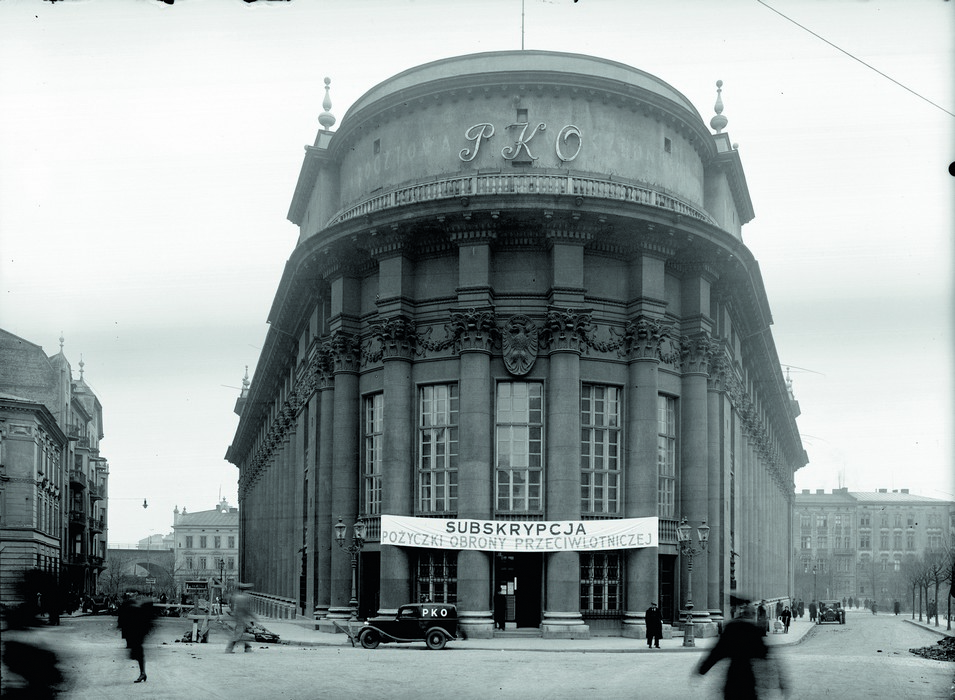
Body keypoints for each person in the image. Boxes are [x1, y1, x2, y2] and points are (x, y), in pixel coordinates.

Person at [697, 604, 787, 700]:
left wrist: (702, 669)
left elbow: (717, 652)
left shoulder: (731, 628)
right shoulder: (754, 630)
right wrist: (780, 681)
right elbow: (767, 656)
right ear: (752, 615)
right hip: (748, 678)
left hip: (733, 677)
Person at [117, 594, 155, 683]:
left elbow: (124, 621)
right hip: (136, 634)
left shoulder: (131, 607)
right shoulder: (134, 607)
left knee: (137, 653)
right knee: (138, 653)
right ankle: (143, 673)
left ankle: (143, 673)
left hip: (136, 633)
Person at [226, 582, 258, 653]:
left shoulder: (236, 596)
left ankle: (247, 647)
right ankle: (229, 649)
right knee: (239, 633)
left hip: (239, 617)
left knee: (243, 632)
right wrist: (253, 616)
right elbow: (246, 609)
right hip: (242, 617)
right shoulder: (243, 597)